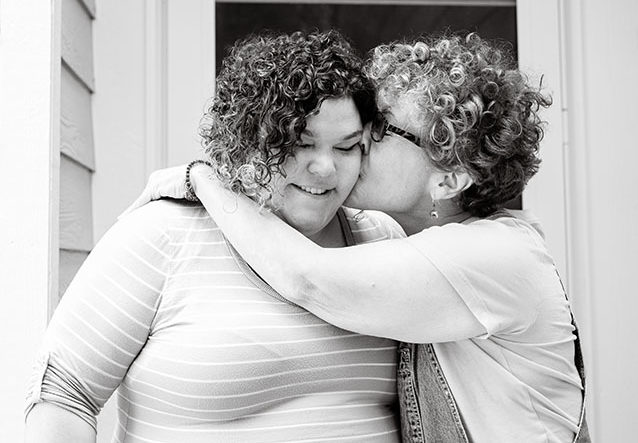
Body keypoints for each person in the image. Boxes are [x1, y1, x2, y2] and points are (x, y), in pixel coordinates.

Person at [132, 34, 589, 442]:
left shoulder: (496, 255)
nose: (361, 138)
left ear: (448, 180)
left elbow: (307, 278)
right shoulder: (402, 240)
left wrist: (204, 179)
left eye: (386, 128)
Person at [25, 30, 404, 442]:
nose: (326, 169)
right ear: (247, 140)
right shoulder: (162, 236)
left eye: (346, 148)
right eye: (300, 144)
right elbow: (63, 395)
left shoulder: (380, 239)